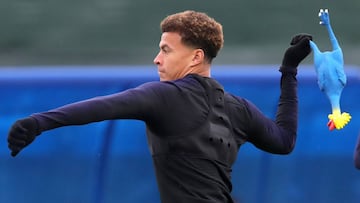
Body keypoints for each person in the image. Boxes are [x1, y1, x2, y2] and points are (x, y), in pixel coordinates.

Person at [7, 10, 312, 203]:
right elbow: (285, 140)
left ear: (195, 57)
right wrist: (289, 71)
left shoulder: (165, 96)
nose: (157, 58)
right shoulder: (238, 108)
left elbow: (105, 106)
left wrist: (39, 122)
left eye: (166, 49)